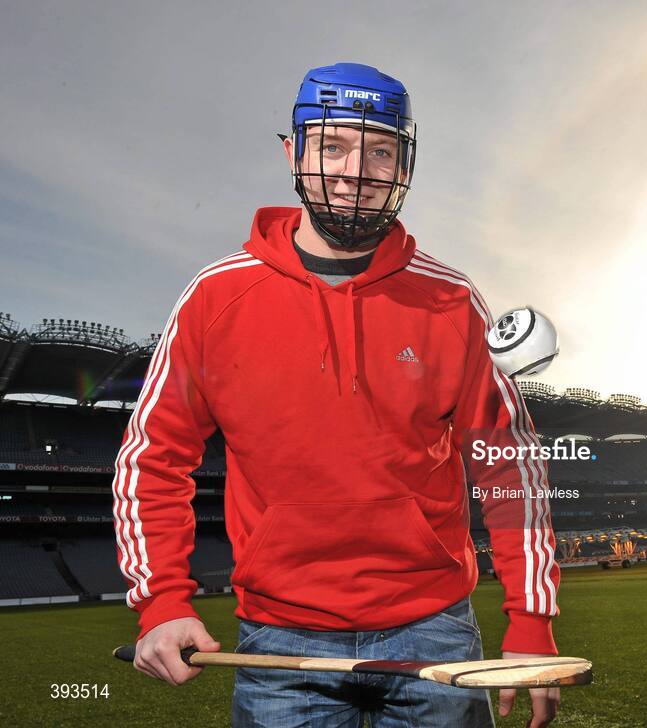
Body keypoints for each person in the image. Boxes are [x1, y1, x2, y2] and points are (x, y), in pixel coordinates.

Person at [111, 62, 561, 727]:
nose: (356, 171)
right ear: (292, 153)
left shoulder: (452, 301)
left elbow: (508, 464)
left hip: (434, 629)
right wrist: (161, 600)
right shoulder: (214, 298)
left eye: (380, 151)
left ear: (404, 165)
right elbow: (152, 456)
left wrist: (531, 619)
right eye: (333, 145)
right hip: (279, 639)